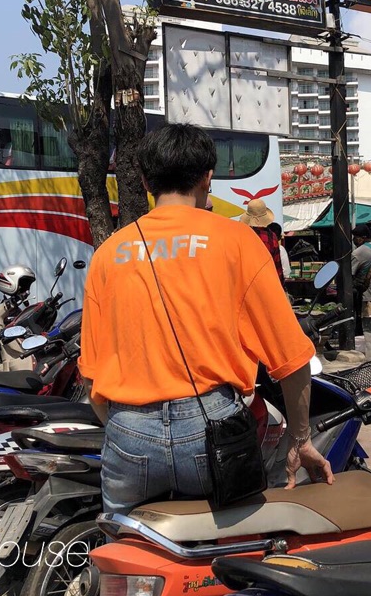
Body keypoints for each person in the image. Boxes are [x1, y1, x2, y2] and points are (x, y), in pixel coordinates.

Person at [78, 123, 334, 516]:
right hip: (213, 427)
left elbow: (92, 376)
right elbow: (292, 361)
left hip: (129, 429)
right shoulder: (237, 241)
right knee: (235, 555)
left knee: (122, 553)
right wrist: (301, 440)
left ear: (145, 181)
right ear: (207, 177)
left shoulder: (109, 254)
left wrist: (126, 425)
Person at [240, 198, 285, 285]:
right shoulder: (271, 237)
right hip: (266, 284)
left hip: (246, 284)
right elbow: (277, 266)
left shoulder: (242, 235)